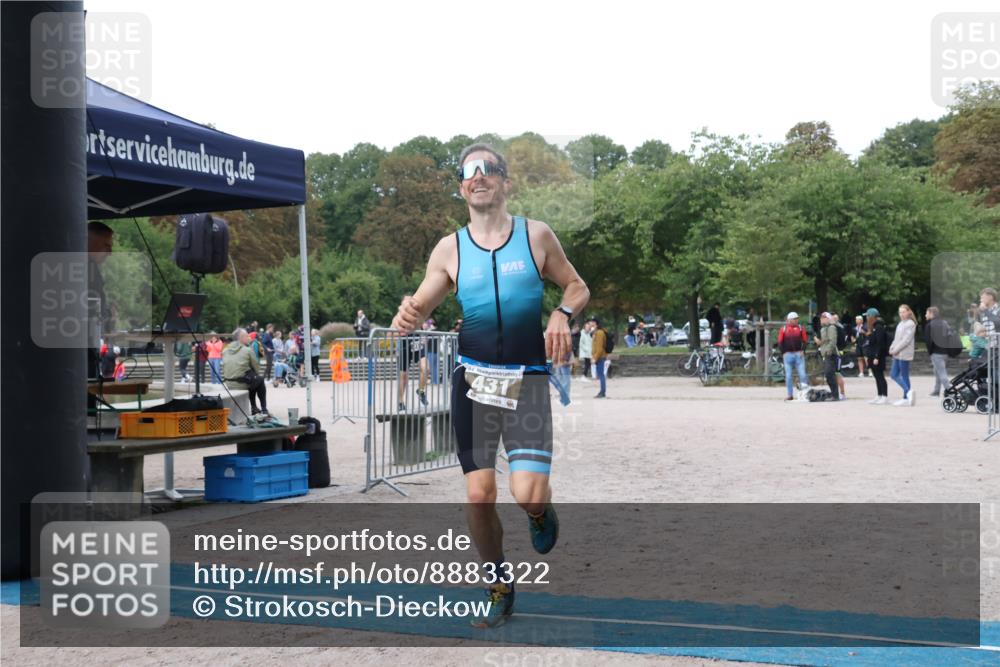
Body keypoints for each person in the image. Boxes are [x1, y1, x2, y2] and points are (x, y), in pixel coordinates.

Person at [389, 142, 589, 629]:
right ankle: (498, 583)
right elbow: (419, 306)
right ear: (462, 188)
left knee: (528, 494)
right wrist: (405, 317)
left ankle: (540, 512)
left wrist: (561, 313)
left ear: (505, 181)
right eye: (468, 172)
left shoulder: (536, 235)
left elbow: (577, 286)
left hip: (528, 380)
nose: (478, 176)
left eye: (487, 169)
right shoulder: (450, 249)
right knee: (479, 494)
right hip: (473, 380)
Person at [222, 328, 268, 415]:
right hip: (241, 384)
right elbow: (256, 368)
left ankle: (254, 407)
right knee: (259, 379)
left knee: (251, 379)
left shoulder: (225, 350)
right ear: (241, 338)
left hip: (229, 383)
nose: (249, 338)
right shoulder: (247, 350)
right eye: (247, 336)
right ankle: (264, 409)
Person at [888, 304, 917, 406]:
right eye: (900, 312)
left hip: (904, 354)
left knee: (904, 375)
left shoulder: (910, 324)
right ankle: (908, 392)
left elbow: (906, 340)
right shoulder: (900, 324)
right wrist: (892, 348)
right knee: (893, 374)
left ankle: (906, 397)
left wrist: (895, 350)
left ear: (908, 312)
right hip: (897, 354)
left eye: (903, 312)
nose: (901, 314)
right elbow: (896, 339)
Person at [778, 311, 810, 401]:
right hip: (788, 355)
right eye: (794, 319)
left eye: (797, 319)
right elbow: (780, 342)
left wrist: (803, 350)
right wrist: (783, 352)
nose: (796, 320)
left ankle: (805, 394)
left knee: (802, 375)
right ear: (789, 320)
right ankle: (790, 394)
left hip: (798, 354)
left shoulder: (801, 328)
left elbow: (805, 341)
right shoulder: (783, 329)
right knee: (788, 376)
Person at [863, 308, 890, 403]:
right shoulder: (873, 327)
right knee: (876, 376)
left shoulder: (878, 327)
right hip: (872, 355)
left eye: (867, 316)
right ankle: (879, 395)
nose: (866, 318)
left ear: (872, 316)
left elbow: (880, 343)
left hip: (877, 356)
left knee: (880, 376)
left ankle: (884, 396)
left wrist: (876, 357)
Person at [924, 306, 952, 398]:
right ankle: (936, 391)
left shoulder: (929, 325)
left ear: (932, 314)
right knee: (937, 372)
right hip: (945, 353)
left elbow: (928, 341)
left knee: (942, 373)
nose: (925, 315)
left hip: (936, 353)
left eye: (927, 313)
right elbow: (950, 336)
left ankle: (950, 391)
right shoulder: (944, 323)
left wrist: (930, 352)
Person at [816, 312, 840, 401]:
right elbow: (824, 341)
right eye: (821, 318)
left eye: (823, 318)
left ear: (828, 318)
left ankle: (835, 395)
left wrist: (828, 351)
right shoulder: (823, 329)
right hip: (825, 354)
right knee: (828, 375)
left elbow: (833, 341)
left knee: (829, 374)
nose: (821, 319)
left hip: (831, 354)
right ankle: (833, 394)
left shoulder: (831, 327)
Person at [590, 317, 609, 397]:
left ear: (595, 323)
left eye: (591, 322)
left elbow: (599, 348)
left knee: (601, 375)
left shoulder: (600, 333)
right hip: (599, 356)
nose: (590, 323)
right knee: (600, 374)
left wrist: (595, 358)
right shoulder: (596, 332)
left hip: (600, 357)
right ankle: (602, 391)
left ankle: (602, 392)